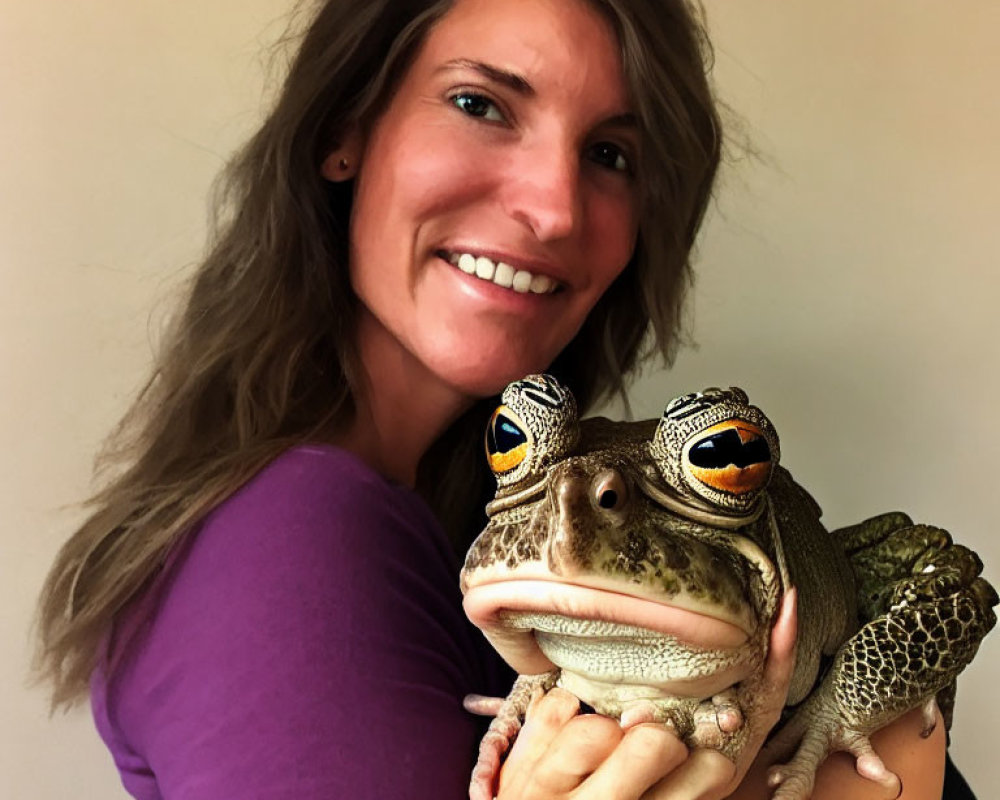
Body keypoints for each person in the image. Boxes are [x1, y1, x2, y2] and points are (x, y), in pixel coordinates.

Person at [34, 0, 950, 798]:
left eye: (610, 153)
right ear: (345, 129)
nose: (555, 206)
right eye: (480, 105)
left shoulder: (449, 499)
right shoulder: (289, 535)